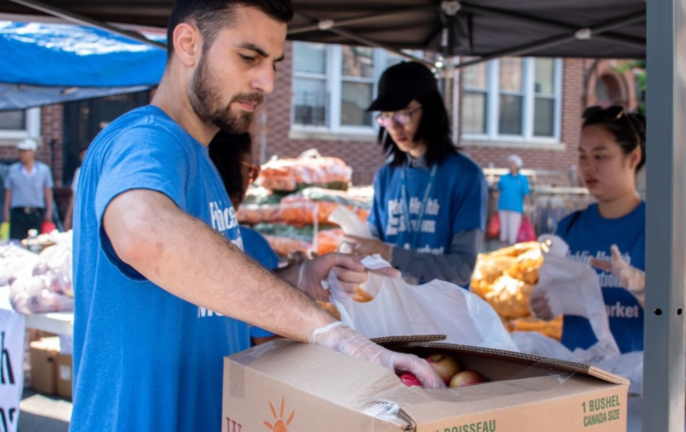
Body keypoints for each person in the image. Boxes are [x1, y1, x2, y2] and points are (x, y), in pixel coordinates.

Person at [71, 2, 442, 431]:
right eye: (249, 57)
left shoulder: (201, 161)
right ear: (188, 44)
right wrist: (328, 331)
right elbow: (144, 232)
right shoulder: (145, 140)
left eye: (274, 63)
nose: (266, 81)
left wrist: (297, 280)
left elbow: (205, 297)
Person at [344, 62, 488, 287]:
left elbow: (461, 269)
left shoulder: (466, 176)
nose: (393, 127)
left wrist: (392, 254)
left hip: (443, 316)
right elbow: (371, 246)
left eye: (403, 115)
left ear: (430, 110)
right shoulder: (386, 176)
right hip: (391, 313)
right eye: (385, 117)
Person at [530, 105, 647, 354]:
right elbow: (552, 294)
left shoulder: (658, 230)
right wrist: (543, 304)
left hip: (635, 382)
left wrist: (640, 286)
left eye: (600, 156)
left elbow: (678, 316)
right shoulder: (569, 227)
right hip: (576, 378)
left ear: (633, 158)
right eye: (583, 156)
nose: (588, 166)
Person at [208, 130, 279, 343]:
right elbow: (265, 348)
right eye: (251, 172)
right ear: (233, 170)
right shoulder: (253, 246)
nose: (251, 181)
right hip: (233, 375)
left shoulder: (171, 239)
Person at [3, 138, 54, 240]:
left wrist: (49, 211)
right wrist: (6, 211)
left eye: (25, 151)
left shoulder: (44, 170)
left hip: (36, 212)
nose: (22, 154)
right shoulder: (13, 170)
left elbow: (48, 191)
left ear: (32, 152)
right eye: (20, 151)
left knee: (36, 242)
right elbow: (9, 192)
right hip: (18, 211)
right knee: (16, 241)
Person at [497, 154, 530, 245]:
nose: (511, 165)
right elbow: (499, 191)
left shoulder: (522, 179)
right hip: (503, 206)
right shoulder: (504, 177)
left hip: (516, 207)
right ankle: (502, 248)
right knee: (504, 229)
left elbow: (526, 195)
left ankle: (511, 248)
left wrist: (527, 209)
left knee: (513, 230)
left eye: (513, 164)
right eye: (509, 163)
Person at [64, 147, 87, 231]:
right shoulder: (78, 172)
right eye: (83, 155)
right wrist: (68, 217)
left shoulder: (100, 172)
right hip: (81, 212)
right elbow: (74, 195)